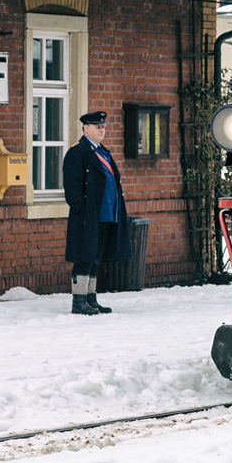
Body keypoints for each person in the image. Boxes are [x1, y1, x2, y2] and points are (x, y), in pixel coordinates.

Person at [63, 110, 132, 315]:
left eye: (103, 127)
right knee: (84, 257)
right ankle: (79, 301)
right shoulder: (77, 153)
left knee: (95, 258)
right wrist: (82, 211)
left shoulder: (103, 152)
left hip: (107, 215)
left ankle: (91, 299)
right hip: (88, 217)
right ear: (85, 128)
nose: (102, 130)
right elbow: (72, 189)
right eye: (97, 127)